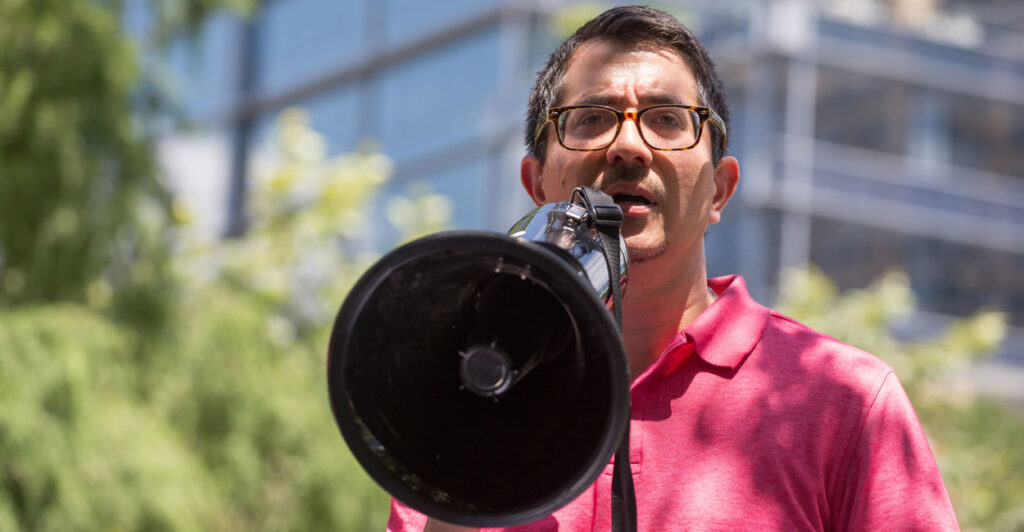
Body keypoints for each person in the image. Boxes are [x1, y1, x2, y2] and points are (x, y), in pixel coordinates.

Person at [389, 5, 958, 531]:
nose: (629, 146)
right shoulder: (458, 400)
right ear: (537, 185)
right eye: (590, 119)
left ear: (720, 191)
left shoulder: (848, 400)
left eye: (666, 119)